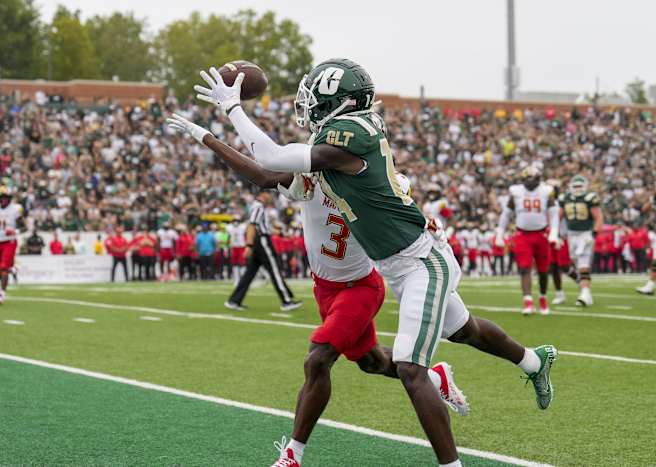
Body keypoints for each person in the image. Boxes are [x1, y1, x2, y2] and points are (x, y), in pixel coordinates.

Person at [189, 59, 557, 467]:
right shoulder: (340, 143)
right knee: (464, 330)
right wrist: (208, 135)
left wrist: (232, 109)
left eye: (316, 98)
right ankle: (533, 360)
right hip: (396, 266)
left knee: (408, 368)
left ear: (337, 102)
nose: (308, 106)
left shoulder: (354, 134)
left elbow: (274, 155)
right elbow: (267, 172)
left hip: (421, 262)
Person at [166, 116, 468, 467]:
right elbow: (262, 174)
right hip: (325, 287)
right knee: (372, 362)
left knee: (317, 359)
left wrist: (427, 224)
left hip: (360, 287)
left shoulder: (381, 182)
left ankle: (293, 454)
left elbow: (400, 209)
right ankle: (436, 377)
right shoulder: (312, 175)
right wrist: (205, 136)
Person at [496, 166, 559, 315]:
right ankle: (528, 301)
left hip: (542, 234)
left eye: (533, 179)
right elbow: (506, 214)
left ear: (538, 179)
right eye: (527, 179)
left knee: (544, 270)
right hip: (522, 234)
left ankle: (542, 297)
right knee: (524, 268)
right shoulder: (516, 192)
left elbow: (554, 213)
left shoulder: (546, 191)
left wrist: (554, 232)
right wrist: (500, 232)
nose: (530, 182)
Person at [223, 191, 301, 311]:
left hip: (258, 241)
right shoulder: (258, 206)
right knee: (274, 270)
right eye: (269, 194)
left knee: (250, 273)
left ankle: (234, 300)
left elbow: (263, 227)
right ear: (263, 194)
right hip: (262, 241)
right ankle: (286, 301)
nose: (270, 197)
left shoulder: (257, 207)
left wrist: (280, 233)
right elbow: (252, 225)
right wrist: (248, 245)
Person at [559, 175, 603, 306]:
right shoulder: (564, 198)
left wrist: (594, 233)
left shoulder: (590, 198)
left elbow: (599, 216)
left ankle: (585, 293)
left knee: (583, 264)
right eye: (575, 186)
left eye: (580, 186)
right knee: (572, 263)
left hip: (585, 234)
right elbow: (558, 216)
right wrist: (556, 233)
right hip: (570, 235)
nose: (578, 189)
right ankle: (585, 291)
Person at [0, 186, 23, 303]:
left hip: (10, 241)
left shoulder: (15, 209)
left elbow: (23, 226)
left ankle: (2, 293)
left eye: (5, 198)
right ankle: (13, 269)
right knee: (2, 269)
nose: (3, 200)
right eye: (1, 198)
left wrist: (15, 231)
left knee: (3, 268)